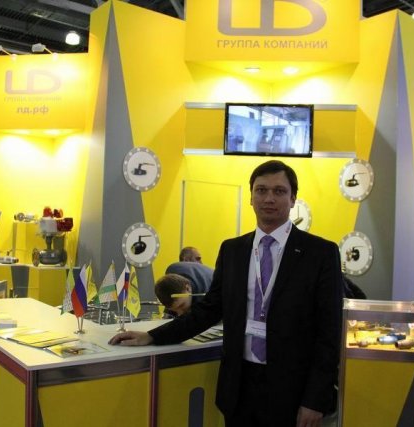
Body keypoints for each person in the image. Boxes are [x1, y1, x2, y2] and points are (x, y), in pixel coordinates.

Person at [110, 160, 344, 427]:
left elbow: (329, 332)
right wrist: (152, 336)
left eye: (279, 191)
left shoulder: (320, 253)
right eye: (261, 190)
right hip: (239, 388)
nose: (269, 198)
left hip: (293, 390)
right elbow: (209, 309)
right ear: (251, 197)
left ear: (293, 199)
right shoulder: (233, 250)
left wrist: (315, 399)